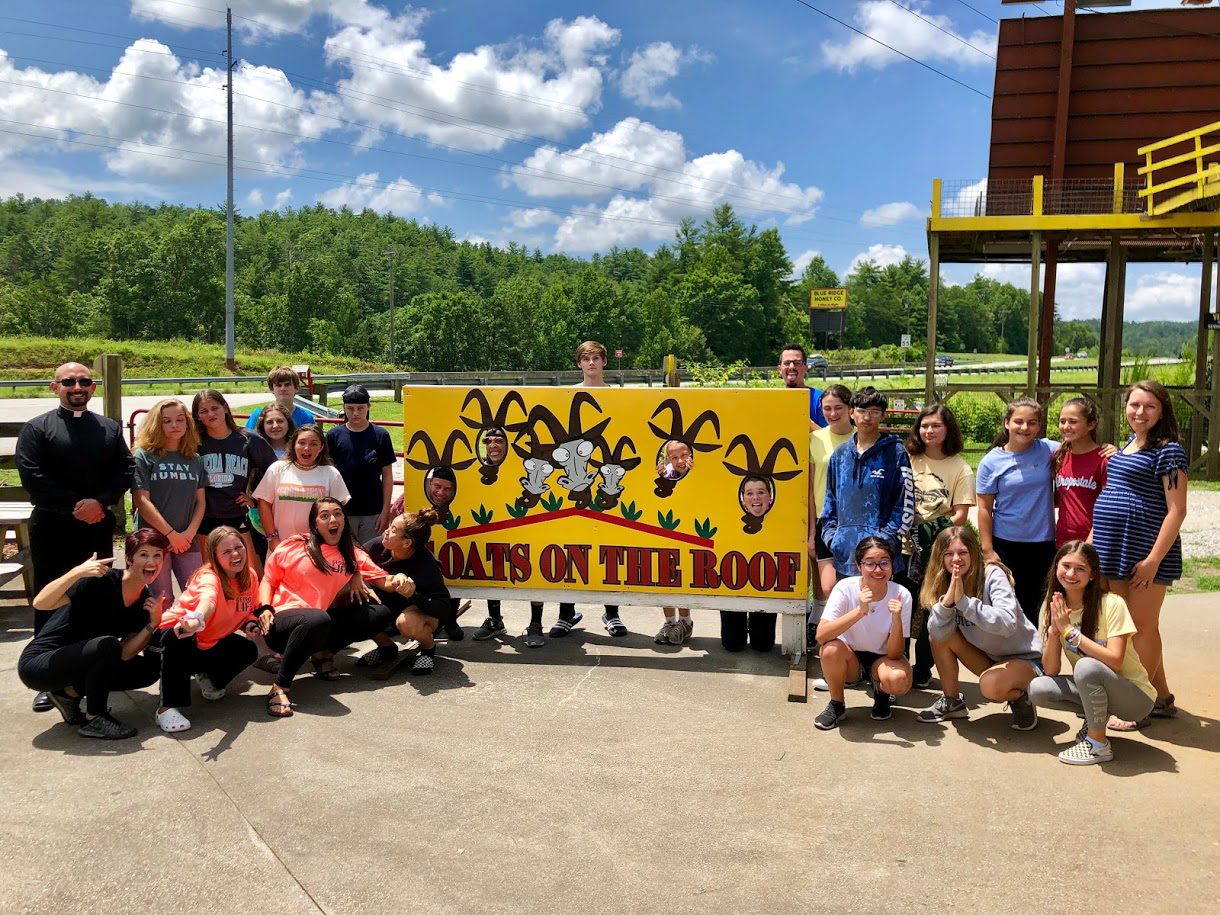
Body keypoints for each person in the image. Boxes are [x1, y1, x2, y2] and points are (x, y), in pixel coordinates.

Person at [16, 361, 133, 714]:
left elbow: (124, 469)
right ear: (55, 387)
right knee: (50, 597)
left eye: (84, 381)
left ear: (93, 387)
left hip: (96, 527)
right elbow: (32, 476)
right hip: (52, 527)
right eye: (69, 382)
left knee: (93, 596)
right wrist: (75, 506)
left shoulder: (109, 428)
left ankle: (89, 669)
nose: (77, 387)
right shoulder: (37, 429)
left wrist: (100, 502)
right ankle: (48, 678)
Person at [255, 498, 414, 717]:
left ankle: (323, 654)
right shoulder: (295, 544)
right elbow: (268, 580)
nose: (333, 519)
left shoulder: (352, 554)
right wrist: (264, 608)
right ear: (314, 523)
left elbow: (383, 581)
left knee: (380, 614)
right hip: (282, 623)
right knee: (318, 618)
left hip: (318, 624)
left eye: (338, 514)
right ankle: (280, 687)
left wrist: (400, 579)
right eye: (325, 515)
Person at [1091, 380, 1187, 726]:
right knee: (1123, 627)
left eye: (1149, 406)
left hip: (1143, 550)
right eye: (1134, 405)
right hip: (1112, 547)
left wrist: (1152, 561)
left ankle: (1139, 706)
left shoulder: (1169, 451)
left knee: (1141, 628)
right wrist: (1089, 545)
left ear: (1162, 411)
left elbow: (1177, 510)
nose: (1140, 412)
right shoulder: (1129, 445)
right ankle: (1160, 698)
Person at [18, 531, 169, 740]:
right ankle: (95, 718)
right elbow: (41, 603)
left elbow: (124, 655)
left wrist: (152, 623)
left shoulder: (144, 602)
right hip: (40, 664)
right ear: (129, 559)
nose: (151, 562)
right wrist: (76, 573)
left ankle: (66, 694)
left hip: (80, 662)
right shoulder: (101, 580)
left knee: (147, 671)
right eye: (144, 554)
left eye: (157, 555)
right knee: (107, 645)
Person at [1028, 541, 1155, 765]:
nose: (1070, 574)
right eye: (1065, 566)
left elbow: (1115, 661)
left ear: (1093, 575)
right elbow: (1051, 670)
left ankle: (1098, 744)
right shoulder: (1054, 606)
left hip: (1135, 698)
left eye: (1080, 569)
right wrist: (1055, 632)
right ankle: (1096, 719)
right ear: (1056, 567)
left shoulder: (1112, 603)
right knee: (1039, 688)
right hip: (1101, 687)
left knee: (1086, 666)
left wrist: (1070, 631)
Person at [916, 526, 1042, 730]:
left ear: (973, 552)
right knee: (939, 636)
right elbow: (938, 634)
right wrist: (947, 604)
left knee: (990, 686)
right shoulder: (944, 580)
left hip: (1025, 660)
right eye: (948, 554)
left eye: (962, 552)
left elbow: (1008, 623)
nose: (956, 559)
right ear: (940, 558)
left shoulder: (993, 575)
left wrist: (965, 603)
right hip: (990, 657)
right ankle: (952, 701)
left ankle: (1021, 696)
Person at [153, 526, 260, 733]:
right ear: (214, 557)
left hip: (207, 640)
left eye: (238, 547)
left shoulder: (250, 577)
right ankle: (166, 708)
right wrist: (197, 619)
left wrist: (250, 624)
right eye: (226, 551)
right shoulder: (208, 578)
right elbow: (207, 600)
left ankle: (207, 677)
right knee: (178, 636)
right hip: (170, 639)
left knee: (247, 650)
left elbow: (247, 610)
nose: (235, 554)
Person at [904, 403, 975, 688]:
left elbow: (960, 515)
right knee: (901, 606)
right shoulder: (907, 458)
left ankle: (923, 667)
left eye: (936, 425)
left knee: (931, 609)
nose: (929, 431)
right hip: (903, 548)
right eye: (924, 425)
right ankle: (896, 662)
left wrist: (930, 532)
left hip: (936, 550)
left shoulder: (960, 468)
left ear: (948, 429)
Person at [813, 537, 913, 730]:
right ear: (859, 566)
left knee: (898, 680)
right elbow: (821, 635)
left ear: (892, 565)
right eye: (870, 563)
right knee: (829, 650)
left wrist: (896, 619)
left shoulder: (902, 594)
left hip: (883, 658)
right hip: (850, 656)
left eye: (884, 563)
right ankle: (837, 704)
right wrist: (860, 611)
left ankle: (882, 694)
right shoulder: (845, 588)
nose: (878, 570)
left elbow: (895, 653)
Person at [975, 397, 1058, 627]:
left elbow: (1081, 448)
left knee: (1036, 605)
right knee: (1007, 604)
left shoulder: (1049, 450)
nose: (1025, 427)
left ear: (1039, 426)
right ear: (1007, 423)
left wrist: (1109, 451)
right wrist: (988, 549)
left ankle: (1033, 650)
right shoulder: (991, 462)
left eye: (1032, 423)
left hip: (1043, 543)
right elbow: (984, 508)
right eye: (1018, 421)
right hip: (1006, 544)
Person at [820, 386, 915, 578]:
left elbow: (905, 504)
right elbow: (830, 500)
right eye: (862, 410)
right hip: (845, 556)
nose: (867, 417)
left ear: (883, 415)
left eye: (874, 412)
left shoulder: (896, 453)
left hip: (882, 559)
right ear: (851, 412)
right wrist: (833, 538)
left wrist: (885, 541)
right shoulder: (840, 455)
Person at [193, 389, 277, 577]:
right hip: (206, 517)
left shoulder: (248, 439)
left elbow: (274, 472)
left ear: (225, 408)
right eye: (204, 411)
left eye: (214, 408)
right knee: (212, 575)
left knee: (251, 573)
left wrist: (254, 500)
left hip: (237, 515)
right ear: (197, 416)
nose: (210, 414)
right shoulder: (195, 443)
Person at [363, 507, 454, 675]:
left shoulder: (427, 565)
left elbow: (444, 608)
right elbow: (353, 559)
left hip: (421, 613)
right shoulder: (376, 546)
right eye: (390, 527)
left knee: (407, 622)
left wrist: (414, 595)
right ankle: (386, 647)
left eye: (393, 530)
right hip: (387, 607)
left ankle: (428, 648)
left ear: (406, 543)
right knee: (355, 602)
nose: (386, 532)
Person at [132, 398, 206, 599]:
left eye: (180, 420)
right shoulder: (144, 456)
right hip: (153, 541)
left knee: (196, 596)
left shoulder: (195, 459)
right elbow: (142, 501)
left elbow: (200, 502)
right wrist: (171, 535)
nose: (175, 425)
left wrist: (188, 534)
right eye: (167, 421)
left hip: (187, 540)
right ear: (157, 424)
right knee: (161, 599)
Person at [254, 424, 350, 551]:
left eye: (313, 444)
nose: (307, 448)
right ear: (293, 445)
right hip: (281, 546)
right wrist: (272, 538)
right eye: (302, 443)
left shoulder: (331, 474)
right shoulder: (277, 469)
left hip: (319, 548)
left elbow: (338, 513)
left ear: (321, 447)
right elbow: (264, 503)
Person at [807, 385, 853, 648]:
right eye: (827, 409)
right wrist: (812, 533)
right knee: (829, 586)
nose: (833, 413)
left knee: (851, 584)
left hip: (854, 520)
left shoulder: (861, 437)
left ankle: (848, 642)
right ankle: (828, 633)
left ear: (850, 409)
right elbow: (811, 487)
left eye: (838, 408)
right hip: (825, 519)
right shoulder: (815, 439)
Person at [326, 384, 395, 544]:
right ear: (344, 407)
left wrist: (385, 511)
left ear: (368, 406)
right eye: (350, 408)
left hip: (373, 510)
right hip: (342, 510)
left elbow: (387, 475)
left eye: (360, 408)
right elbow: (327, 473)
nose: (355, 413)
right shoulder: (333, 436)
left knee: (370, 553)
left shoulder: (381, 435)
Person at [654, 442, 695, 644]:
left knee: (683, 574)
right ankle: (670, 623)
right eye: (674, 457)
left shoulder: (696, 471)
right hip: (667, 525)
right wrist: (662, 475)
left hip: (688, 525)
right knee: (666, 574)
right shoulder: (668, 472)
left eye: (684, 455)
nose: (680, 461)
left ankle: (685, 622)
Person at [1054, 396, 1108, 547]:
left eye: (1073, 421)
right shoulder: (1059, 456)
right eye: (1062, 421)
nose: (1066, 426)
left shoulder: (1104, 459)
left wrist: (1088, 545)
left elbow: (1106, 510)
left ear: (1091, 424)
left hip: (1093, 542)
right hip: (1062, 542)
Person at [244, 366, 315, 432]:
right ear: (272, 389)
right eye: (278, 385)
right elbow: (247, 438)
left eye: (287, 384)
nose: (283, 389)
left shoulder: (305, 417)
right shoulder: (258, 415)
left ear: (297, 388)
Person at [778, 343, 826, 429]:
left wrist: (808, 424)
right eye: (787, 363)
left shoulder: (821, 399)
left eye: (797, 363)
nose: (791, 367)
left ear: (806, 368)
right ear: (779, 369)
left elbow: (830, 435)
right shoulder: (772, 399)